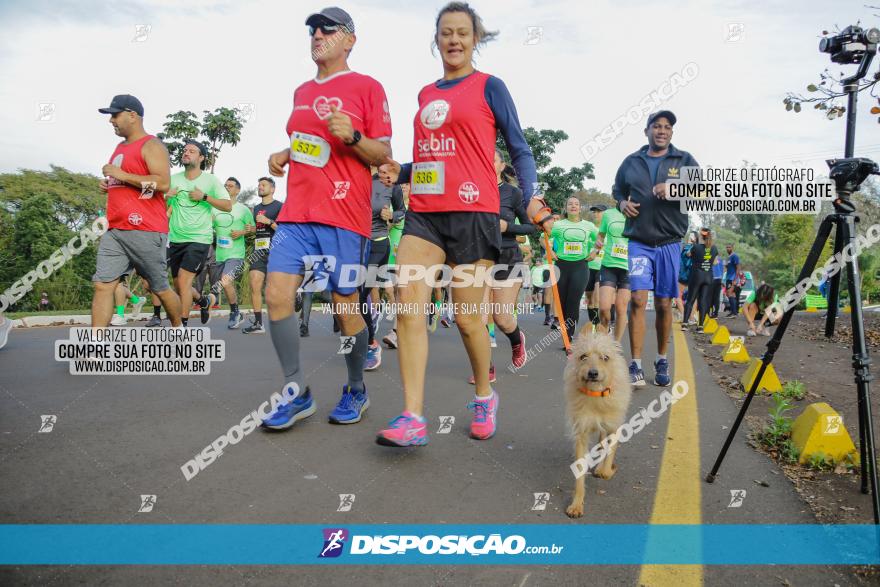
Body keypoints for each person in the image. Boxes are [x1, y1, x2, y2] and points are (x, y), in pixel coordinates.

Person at [375, 2, 540, 446]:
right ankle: (412, 416)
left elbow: (520, 148)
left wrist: (532, 195)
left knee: (469, 321)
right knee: (407, 301)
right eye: (446, 32)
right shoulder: (426, 93)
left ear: (475, 39)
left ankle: (485, 395)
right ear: (436, 39)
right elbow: (437, 158)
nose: (453, 39)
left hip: (475, 214)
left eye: (462, 33)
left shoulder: (490, 86)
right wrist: (403, 172)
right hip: (425, 214)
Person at [259, 7, 393, 430]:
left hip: (345, 216)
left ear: (350, 39)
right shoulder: (300, 90)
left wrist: (352, 136)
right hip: (298, 213)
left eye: (328, 29)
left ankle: (356, 387)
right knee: (276, 296)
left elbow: (382, 154)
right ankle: (295, 391)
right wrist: (284, 153)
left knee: (344, 305)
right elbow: (304, 142)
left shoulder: (367, 87)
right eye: (313, 30)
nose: (317, 35)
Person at [613, 110, 699, 387]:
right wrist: (621, 204)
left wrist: (673, 187)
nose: (662, 131)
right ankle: (635, 363)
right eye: (657, 126)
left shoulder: (683, 159)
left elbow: (703, 190)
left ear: (671, 133)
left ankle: (661, 358)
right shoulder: (631, 161)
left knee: (663, 303)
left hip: (669, 243)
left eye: (667, 127)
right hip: (639, 242)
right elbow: (617, 190)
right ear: (647, 130)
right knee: (637, 300)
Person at [94, 94, 182, 328]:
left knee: (159, 288)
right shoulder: (119, 147)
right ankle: (94, 346)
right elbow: (128, 183)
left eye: (115, 114)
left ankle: (179, 328)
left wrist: (122, 175)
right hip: (116, 229)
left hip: (146, 229)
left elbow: (162, 184)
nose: (111, 120)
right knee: (103, 285)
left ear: (132, 115)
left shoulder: (152, 145)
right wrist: (111, 183)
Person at [166, 140, 232, 326]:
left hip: (199, 239)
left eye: (192, 151)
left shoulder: (210, 180)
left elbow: (227, 205)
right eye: (185, 150)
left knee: (185, 283)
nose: (186, 153)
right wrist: (166, 198)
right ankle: (203, 301)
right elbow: (164, 209)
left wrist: (204, 197)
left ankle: (181, 326)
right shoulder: (174, 179)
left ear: (202, 157)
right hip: (176, 239)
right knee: (179, 286)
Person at [363, 166, 405, 370]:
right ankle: (366, 328)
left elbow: (401, 210)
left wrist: (392, 215)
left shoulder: (389, 184)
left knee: (364, 288)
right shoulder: (355, 179)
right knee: (351, 294)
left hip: (378, 241)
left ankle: (371, 344)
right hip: (354, 242)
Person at [212, 180, 255, 329]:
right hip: (220, 255)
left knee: (226, 280)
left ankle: (234, 312)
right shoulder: (215, 209)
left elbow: (254, 228)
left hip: (236, 254)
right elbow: (208, 226)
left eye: (230, 186)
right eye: (225, 185)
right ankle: (236, 311)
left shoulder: (243, 209)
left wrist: (242, 231)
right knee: (224, 284)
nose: (226, 187)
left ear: (237, 190)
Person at [242, 177, 283, 335]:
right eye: (259, 185)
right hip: (259, 251)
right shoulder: (256, 207)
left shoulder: (280, 206)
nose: (260, 187)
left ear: (272, 189)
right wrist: (251, 229)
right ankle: (258, 323)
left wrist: (269, 221)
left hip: (276, 250)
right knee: (255, 283)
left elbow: (284, 231)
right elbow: (258, 230)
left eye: (263, 185)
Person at [550, 197, 592, 342]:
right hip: (561, 266)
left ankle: (569, 335)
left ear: (580, 208)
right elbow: (543, 238)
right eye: (570, 204)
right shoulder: (558, 225)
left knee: (573, 301)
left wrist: (595, 252)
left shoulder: (588, 226)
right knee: (561, 303)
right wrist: (551, 251)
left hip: (580, 266)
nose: (573, 206)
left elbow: (601, 238)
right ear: (566, 208)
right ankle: (566, 332)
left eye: (576, 204)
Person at [588, 200, 629, 341]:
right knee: (604, 308)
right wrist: (597, 245)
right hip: (609, 265)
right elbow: (601, 235)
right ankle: (605, 335)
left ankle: (615, 345)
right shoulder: (609, 214)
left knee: (621, 308)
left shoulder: (640, 214)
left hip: (629, 267)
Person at [682, 228, 717, 329]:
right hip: (708, 276)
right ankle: (700, 326)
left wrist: (694, 246)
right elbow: (714, 262)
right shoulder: (714, 248)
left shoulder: (696, 247)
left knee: (690, 299)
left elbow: (688, 254)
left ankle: (685, 323)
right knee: (703, 301)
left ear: (701, 237)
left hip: (696, 276)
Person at [584, 204, 606, 328]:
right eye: (594, 212)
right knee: (590, 299)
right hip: (589, 267)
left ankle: (599, 326)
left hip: (603, 267)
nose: (596, 214)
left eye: (599, 212)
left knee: (597, 297)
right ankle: (593, 324)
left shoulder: (608, 230)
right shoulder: (590, 229)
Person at [676, 231, 697, 321]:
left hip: (684, 275)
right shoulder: (698, 248)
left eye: (692, 236)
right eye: (689, 236)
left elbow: (687, 254)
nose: (689, 238)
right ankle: (691, 317)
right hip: (694, 275)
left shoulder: (687, 248)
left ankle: (685, 315)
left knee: (677, 295)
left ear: (695, 239)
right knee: (694, 297)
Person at [724, 243, 741, 318]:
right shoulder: (729, 257)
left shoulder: (735, 256)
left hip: (732, 278)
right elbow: (729, 267)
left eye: (729, 247)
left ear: (732, 248)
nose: (728, 248)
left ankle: (734, 313)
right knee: (730, 294)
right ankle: (733, 312)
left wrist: (735, 279)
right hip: (728, 278)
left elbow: (738, 268)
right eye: (727, 247)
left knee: (730, 293)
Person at [709, 246, 724, 318]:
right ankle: (716, 314)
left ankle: (709, 312)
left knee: (710, 296)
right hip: (719, 279)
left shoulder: (710, 258)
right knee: (716, 297)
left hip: (712, 279)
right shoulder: (720, 259)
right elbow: (722, 270)